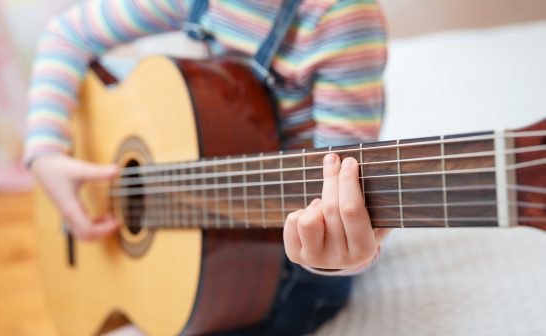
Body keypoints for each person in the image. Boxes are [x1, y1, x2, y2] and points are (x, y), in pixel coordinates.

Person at [24, 0, 390, 334]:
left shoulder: (340, 16)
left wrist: (338, 252)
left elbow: (344, 195)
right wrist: (46, 155)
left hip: (280, 258)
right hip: (206, 194)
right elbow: (65, 35)